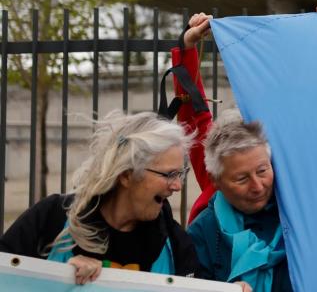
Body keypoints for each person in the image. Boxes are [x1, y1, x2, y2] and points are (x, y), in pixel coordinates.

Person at [0, 112, 201, 284]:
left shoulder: (175, 244)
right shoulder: (52, 218)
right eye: (168, 174)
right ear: (126, 174)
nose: (177, 186)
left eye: (180, 174)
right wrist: (59, 278)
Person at [187, 116, 289, 292]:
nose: (257, 186)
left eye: (262, 171)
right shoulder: (202, 233)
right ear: (215, 180)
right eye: (242, 179)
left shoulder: (298, 214)